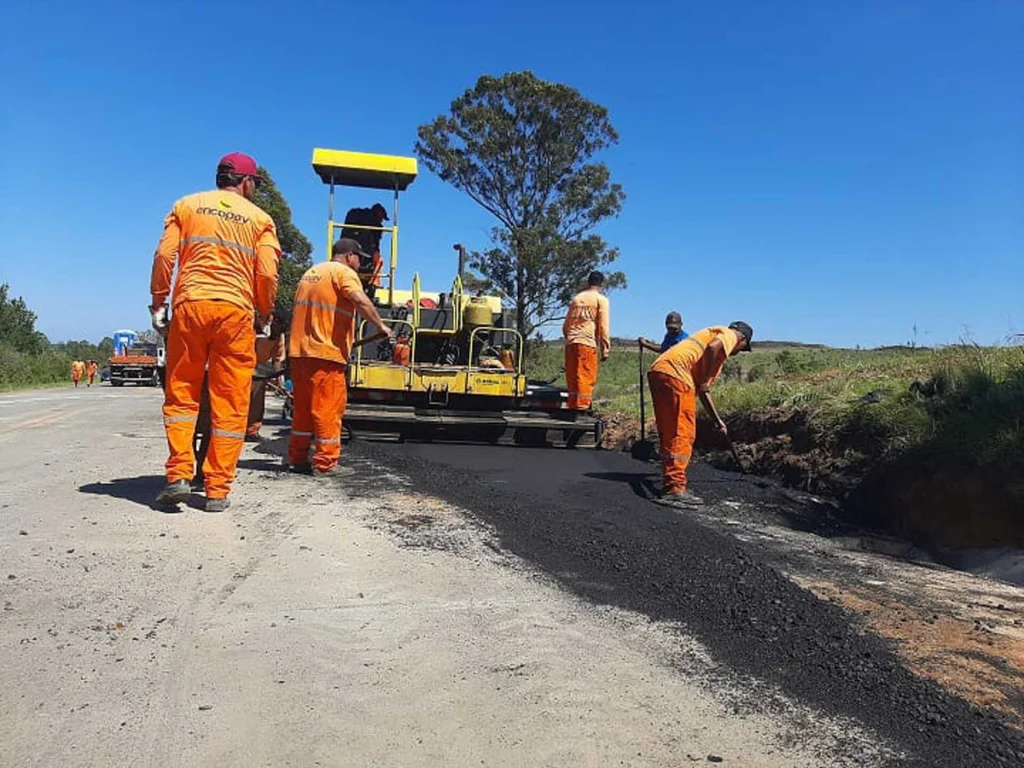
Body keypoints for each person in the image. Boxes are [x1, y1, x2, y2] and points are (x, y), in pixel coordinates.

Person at [149, 152, 282, 512]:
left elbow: (164, 256)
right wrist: (264, 312)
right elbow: (267, 273)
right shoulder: (260, 220)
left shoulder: (187, 205)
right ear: (246, 182)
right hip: (235, 314)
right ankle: (217, 490)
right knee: (231, 401)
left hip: (190, 306)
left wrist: (159, 302)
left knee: (182, 393)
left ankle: (179, 474)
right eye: (255, 183)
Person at [287, 238, 391, 477]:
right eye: (359, 258)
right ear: (349, 256)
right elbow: (359, 299)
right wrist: (380, 325)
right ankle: (326, 463)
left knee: (303, 410)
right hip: (326, 354)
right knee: (328, 409)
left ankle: (297, 458)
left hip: (300, 352)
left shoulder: (311, 273)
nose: (360, 263)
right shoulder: (343, 273)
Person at [647, 322, 753, 509]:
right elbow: (713, 348)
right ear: (742, 339)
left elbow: (703, 391)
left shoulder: (705, 350)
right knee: (682, 433)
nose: (738, 352)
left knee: (669, 431)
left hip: (660, 371)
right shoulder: (729, 335)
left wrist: (717, 421)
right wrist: (703, 379)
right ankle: (674, 488)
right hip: (676, 376)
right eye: (743, 348)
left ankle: (670, 480)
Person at [562, 271, 611, 411]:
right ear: (602, 284)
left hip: (571, 342)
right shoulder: (601, 300)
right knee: (585, 376)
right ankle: (582, 408)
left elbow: (566, 325)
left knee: (572, 377)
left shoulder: (577, 298)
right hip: (586, 343)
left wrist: (569, 337)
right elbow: (603, 326)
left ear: (588, 282)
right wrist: (605, 348)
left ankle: (572, 406)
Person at [245, 311, 289, 442]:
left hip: (258, 370)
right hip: (243, 365)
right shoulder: (255, 326)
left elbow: (277, 359)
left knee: (257, 401)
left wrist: (280, 383)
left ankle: (251, 431)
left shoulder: (278, 336)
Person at [339, 203, 388, 290]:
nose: (381, 221)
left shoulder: (354, 215)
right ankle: (375, 283)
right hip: (365, 252)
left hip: (345, 247)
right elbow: (376, 245)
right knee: (379, 261)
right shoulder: (376, 227)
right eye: (382, 218)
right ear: (378, 213)